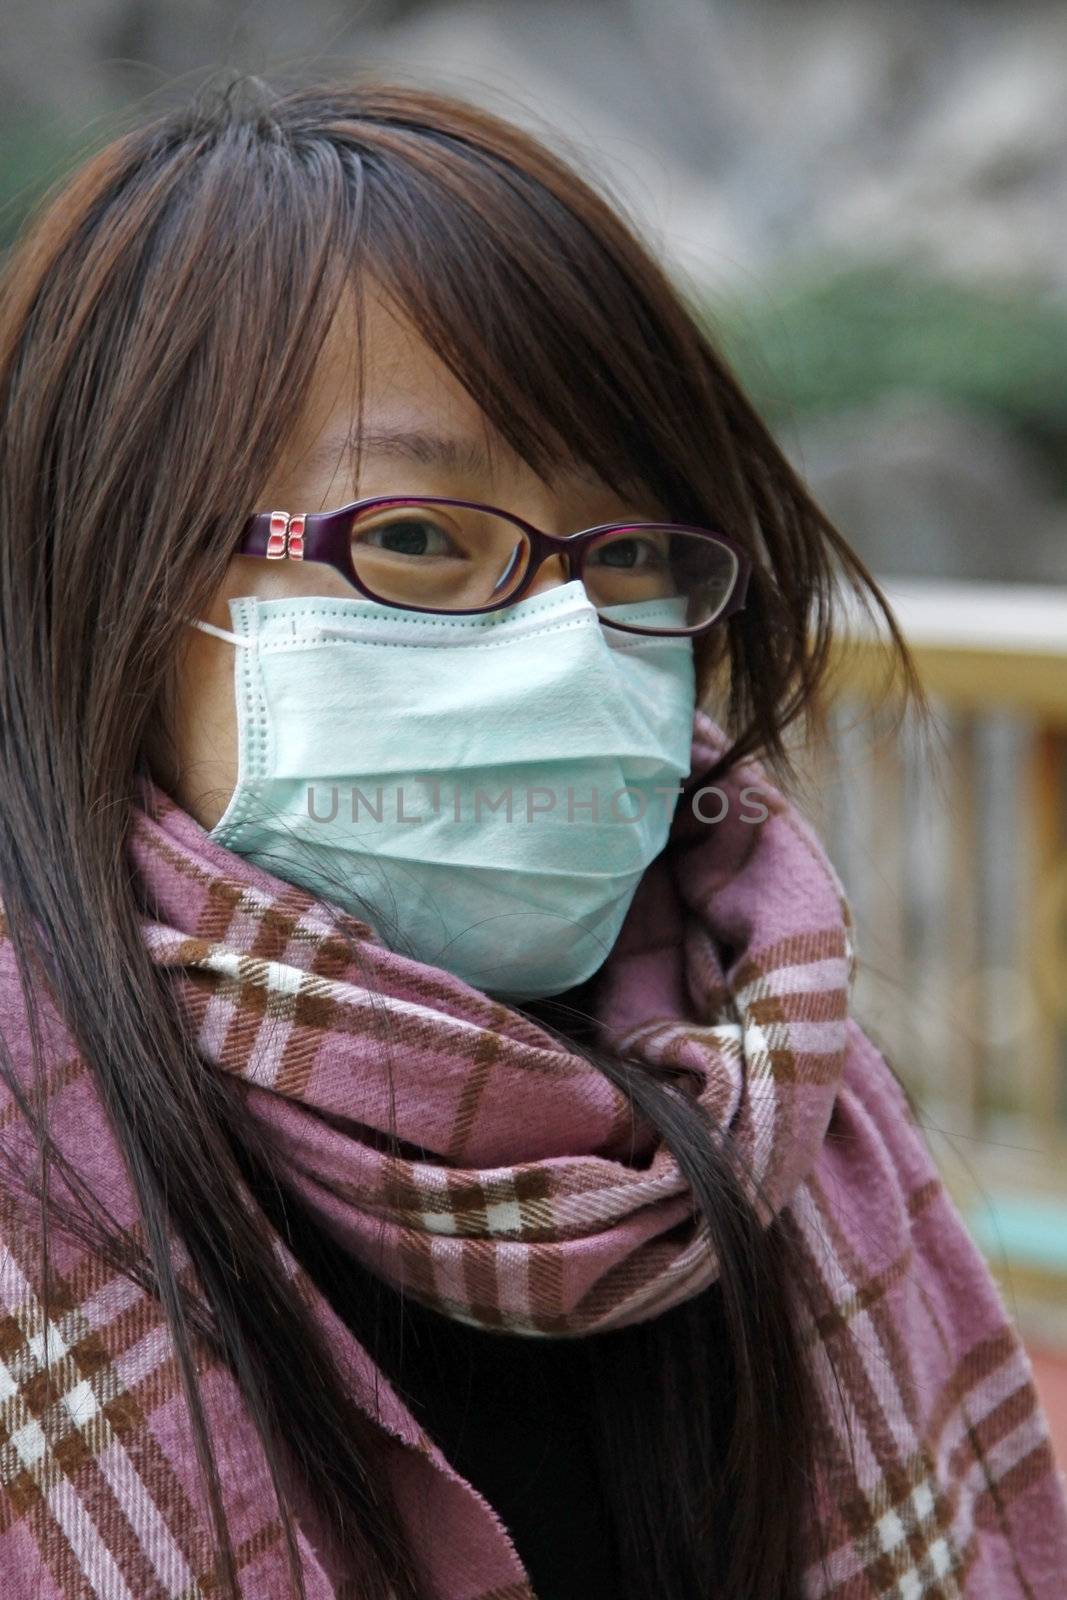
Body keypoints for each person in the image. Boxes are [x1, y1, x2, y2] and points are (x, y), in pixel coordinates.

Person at [0, 72, 1064, 1600]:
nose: (573, 648)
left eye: (630, 552)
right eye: (420, 537)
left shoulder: (772, 1073)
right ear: (115, 574)